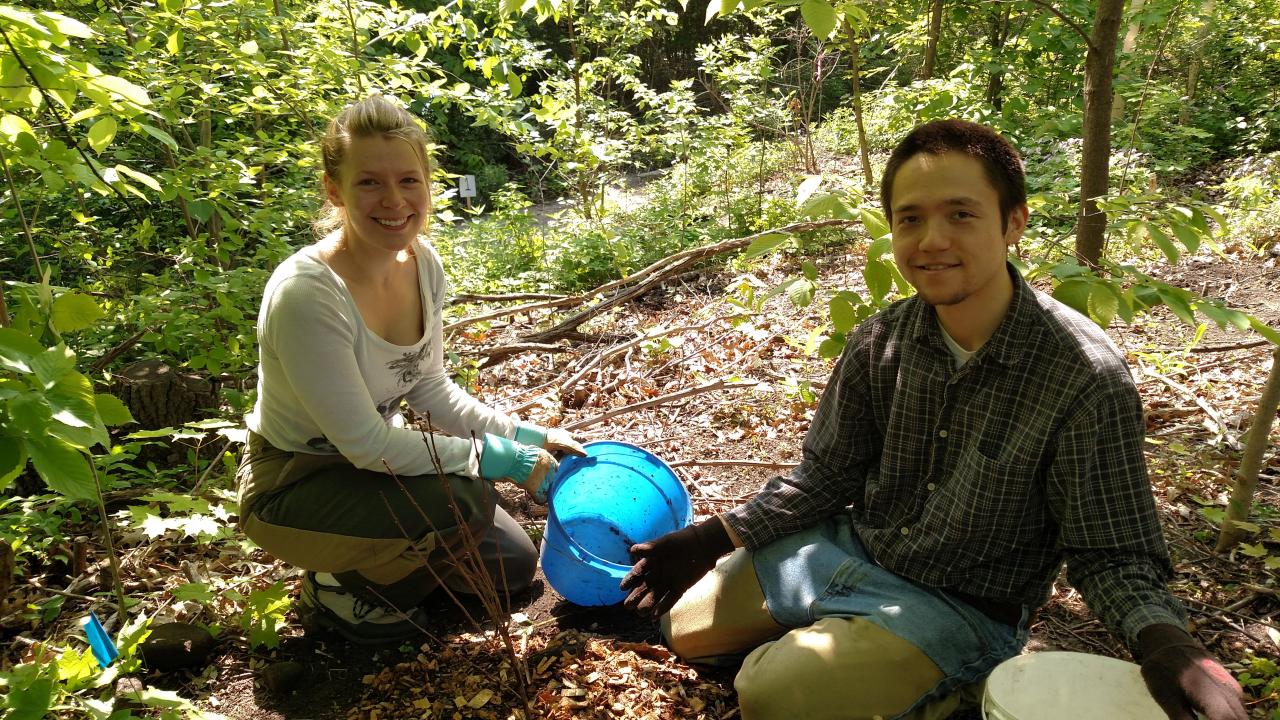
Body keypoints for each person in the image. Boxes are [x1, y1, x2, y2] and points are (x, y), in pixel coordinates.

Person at [620, 119, 1247, 720]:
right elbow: (826, 476)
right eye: (910, 219)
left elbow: (1111, 549)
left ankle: (959, 686)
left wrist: (1165, 641)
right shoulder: (881, 341)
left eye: (961, 214)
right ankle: (850, 649)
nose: (932, 240)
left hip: (961, 605)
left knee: (773, 694)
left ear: (1013, 224)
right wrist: (708, 538)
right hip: (853, 547)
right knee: (683, 628)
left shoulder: (1082, 377)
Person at [236, 95, 584, 644]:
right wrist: (498, 458)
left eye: (408, 181)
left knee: (513, 567)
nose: (393, 201)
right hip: (295, 482)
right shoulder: (308, 295)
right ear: (335, 190)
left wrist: (532, 436)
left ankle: (381, 557)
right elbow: (366, 445)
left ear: (427, 183)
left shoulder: (421, 262)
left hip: (374, 466)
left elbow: (430, 389)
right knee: (468, 498)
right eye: (369, 183)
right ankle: (333, 587)